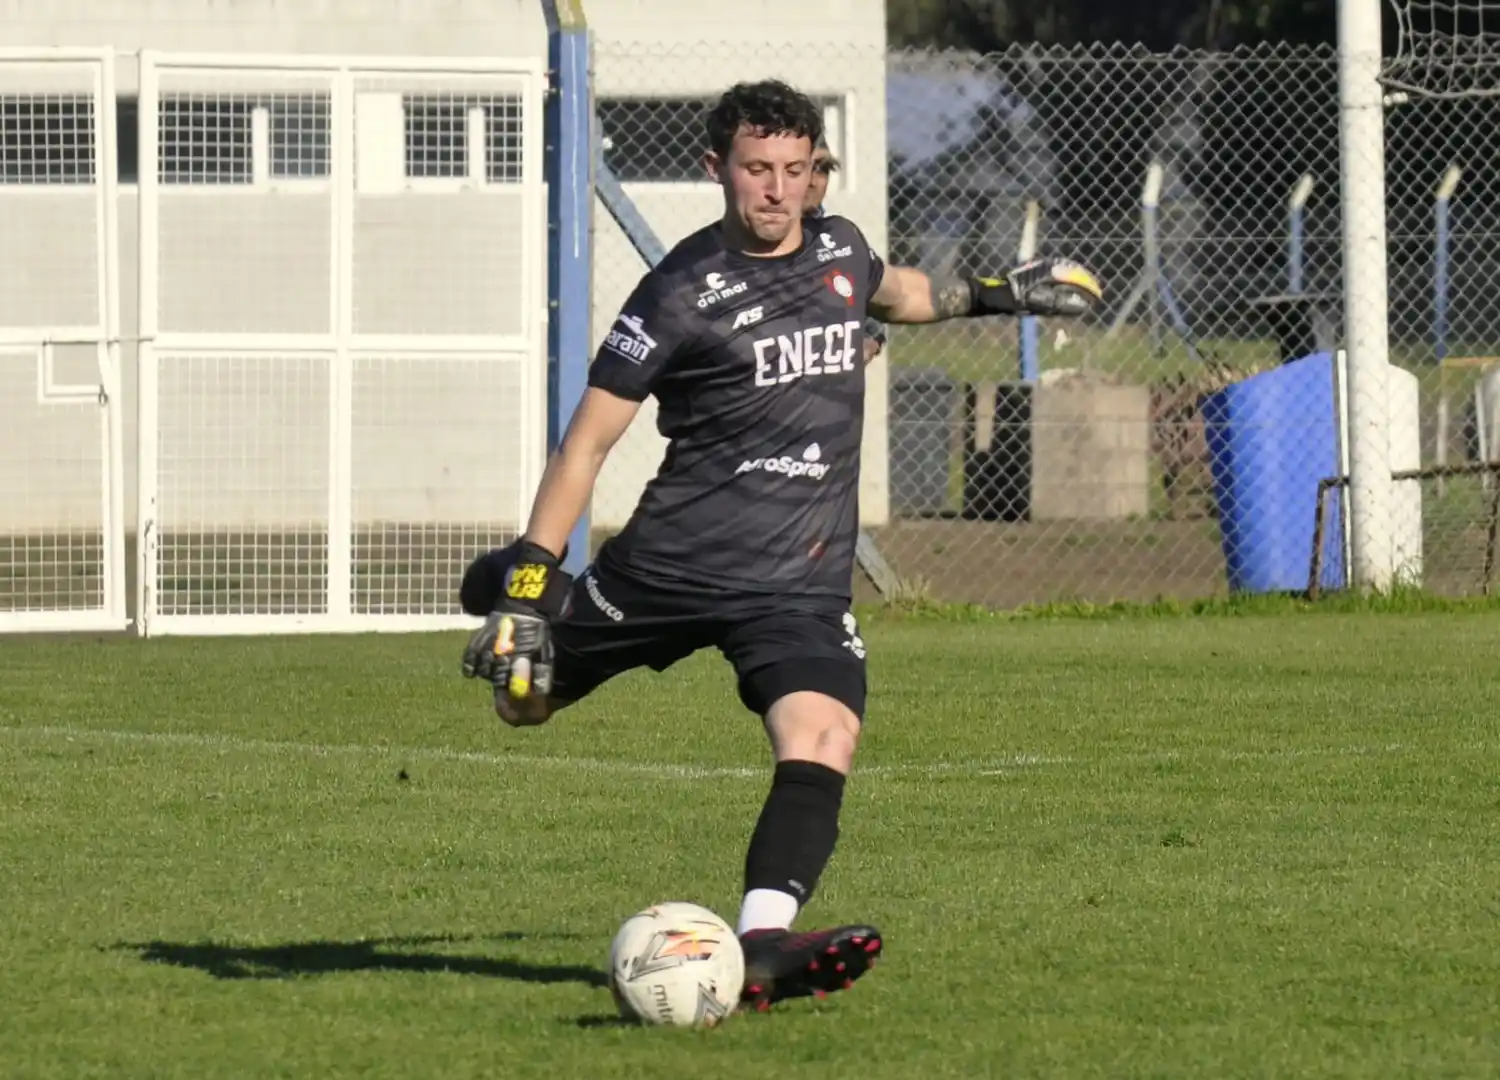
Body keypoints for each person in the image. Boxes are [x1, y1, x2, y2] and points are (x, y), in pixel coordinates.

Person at [458, 79, 1101, 1012]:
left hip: (794, 583)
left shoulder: (839, 248)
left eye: (795, 171)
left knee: (825, 733)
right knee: (526, 705)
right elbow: (586, 443)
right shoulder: (678, 291)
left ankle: (762, 940)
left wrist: (1002, 293)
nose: (776, 191)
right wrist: (524, 588)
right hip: (669, 569)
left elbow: (897, 292)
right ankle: (521, 605)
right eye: (757, 170)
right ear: (716, 168)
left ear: (814, 173)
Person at [801, 141, 887, 366]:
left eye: (822, 169)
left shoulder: (839, 240)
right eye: (798, 168)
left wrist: (865, 347)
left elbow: (876, 318)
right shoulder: (737, 245)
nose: (811, 181)